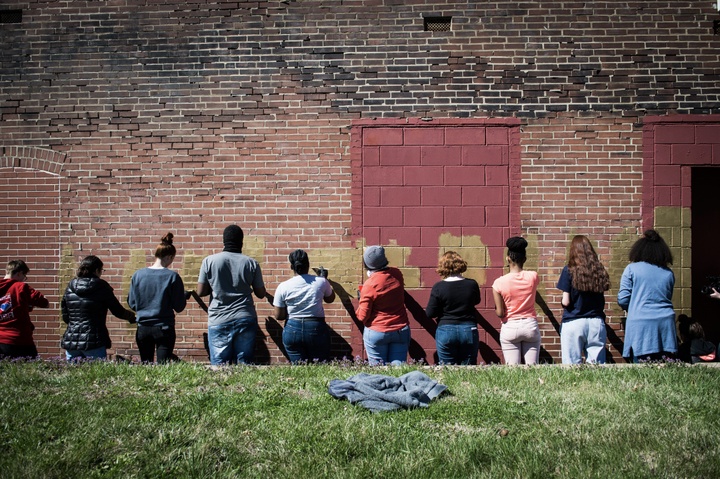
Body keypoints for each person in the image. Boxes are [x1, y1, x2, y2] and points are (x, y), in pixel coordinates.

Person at [197, 225, 266, 365]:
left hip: (218, 318)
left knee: (219, 366)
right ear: (241, 241)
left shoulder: (209, 261)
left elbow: (201, 292)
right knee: (245, 364)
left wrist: (217, 284)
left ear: (224, 241)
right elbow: (260, 294)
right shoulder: (251, 263)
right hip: (245, 316)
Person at [617, 229, 678, 362]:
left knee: (641, 373)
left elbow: (623, 299)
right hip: (666, 326)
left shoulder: (631, 269)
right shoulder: (668, 273)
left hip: (640, 326)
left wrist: (633, 306)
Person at [61, 255, 136, 360]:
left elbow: (65, 317)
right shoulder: (101, 286)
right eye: (101, 270)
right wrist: (132, 317)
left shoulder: (70, 287)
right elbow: (117, 311)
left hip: (71, 340)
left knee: (74, 375)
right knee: (95, 375)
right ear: (96, 270)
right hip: (94, 339)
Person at [128, 233, 187, 363]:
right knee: (163, 365)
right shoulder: (172, 277)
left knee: (146, 364)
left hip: (143, 327)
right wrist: (183, 296)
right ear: (170, 257)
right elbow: (179, 306)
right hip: (164, 327)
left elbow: (132, 303)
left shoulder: (138, 275)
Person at [272, 249, 336, 363]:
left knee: (299, 370)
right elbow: (330, 299)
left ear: (292, 267)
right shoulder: (321, 281)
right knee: (320, 367)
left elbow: (279, 316)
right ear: (308, 264)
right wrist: (324, 279)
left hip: (292, 328)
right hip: (316, 327)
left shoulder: (283, 286)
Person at [556, 235, 610, 364]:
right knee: (597, 367)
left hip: (573, 321)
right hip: (596, 322)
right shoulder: (598, 270)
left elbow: (566, 301)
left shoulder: (568, 270)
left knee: (571, 367)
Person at [356, 245, 410, 365]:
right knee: (398, 371)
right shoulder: (397, 274)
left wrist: (361, 299)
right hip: (400, 329)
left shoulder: (369, 284)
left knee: (378, 372)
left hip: (377, 331)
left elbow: (362, 317)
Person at [425, 251, 481, 365]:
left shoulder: (439, 287)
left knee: (447, 370)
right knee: (469, 370)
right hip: (468, 328)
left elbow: (430, 313)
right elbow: (477, 301)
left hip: (446, 329)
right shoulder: (472, 284)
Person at [492, 237, 541, 365]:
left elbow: (500, 313)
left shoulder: (498, 282)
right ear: (524, 259)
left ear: (508, 258)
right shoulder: (533, 276)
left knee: (512, 370)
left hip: (510, 326)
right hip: (530, 325)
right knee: (532, 368)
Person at [0, 260, 49, 359]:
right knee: (31, 370)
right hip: (20, 339)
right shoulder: (21, 287)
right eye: (24, 276)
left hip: (1, 340)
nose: (23, 279)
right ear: (19, 273)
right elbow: (44, 303)